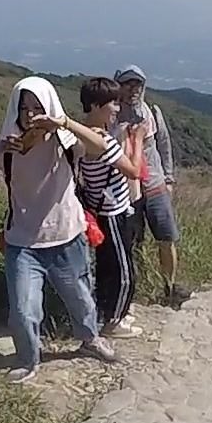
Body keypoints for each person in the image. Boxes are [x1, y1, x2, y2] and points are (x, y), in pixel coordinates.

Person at [0, 77, 117, 382]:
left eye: (39, 108)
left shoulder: (64, 140)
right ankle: (27, 359)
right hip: (22, 241)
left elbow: (99, 146)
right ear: (16, 111)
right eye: (26, 109)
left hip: (67, 235)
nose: (32, 115)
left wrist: (63, 122)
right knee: (24, 308)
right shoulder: (8, 145)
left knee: (81, 297)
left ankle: (90, 340)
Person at [112, 66, 188, 308]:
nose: (133, 89)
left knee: (166, 238)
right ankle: (135, 288)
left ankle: (169, 287)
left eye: (137, 84)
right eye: (127, 84)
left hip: (155, 186)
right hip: (126, 190)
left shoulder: (152, 112)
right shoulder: (111, 116)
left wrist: (168, 178)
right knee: (132, 242)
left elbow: (164, 145)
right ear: (118, 86)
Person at [77, 77, 145, 337]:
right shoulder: (101, 141)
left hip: (99, 209)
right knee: (123, 269)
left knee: (106, 267)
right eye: (112, 103)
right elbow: (134, 171)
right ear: (95, 106)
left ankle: (111, 312)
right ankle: (115, 321)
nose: (116, 108)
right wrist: (137, 140)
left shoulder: (85, 135)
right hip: (112, 211)